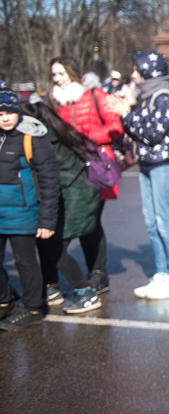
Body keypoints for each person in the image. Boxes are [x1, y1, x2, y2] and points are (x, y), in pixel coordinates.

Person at [104, 51, 169, 300]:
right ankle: (162, 273)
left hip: (162, 165)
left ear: (149, 72)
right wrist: (128, 110)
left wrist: (125, 113)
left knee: (164, 220)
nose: (133, 74)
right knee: (152, 222)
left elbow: (151, 133)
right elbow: (139, 129)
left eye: (137, 69)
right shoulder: (147, 97)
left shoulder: (164, 97)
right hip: (148, 164)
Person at [47, 56, 119, 294]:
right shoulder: (54, 101)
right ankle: (62, 276)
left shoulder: (95, 95)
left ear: (72, 72)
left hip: (94, 166)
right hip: (68, 169)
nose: (57, 79)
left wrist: (86, 137)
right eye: (54, 75)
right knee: (76, 219)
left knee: (91, 219)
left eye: (61, 73)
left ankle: (97, 273)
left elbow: (115, 126)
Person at [29, 103, 103, 315]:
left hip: (75, 197)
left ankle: (85, 293)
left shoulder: (40, 140)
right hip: (74, 193)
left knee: (55, 248)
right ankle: (52, 287)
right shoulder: (53, 130)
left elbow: (45, 177)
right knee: (47, 244)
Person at [0, 90, 59, 330]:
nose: (5, 118)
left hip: (23, 212)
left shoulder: (31, 138)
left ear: (18, 112)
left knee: (25, 262)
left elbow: (49, 180)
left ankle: (33, 307)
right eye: (0, 114)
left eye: (9, 112)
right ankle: (5, 301)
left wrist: (47, 220)